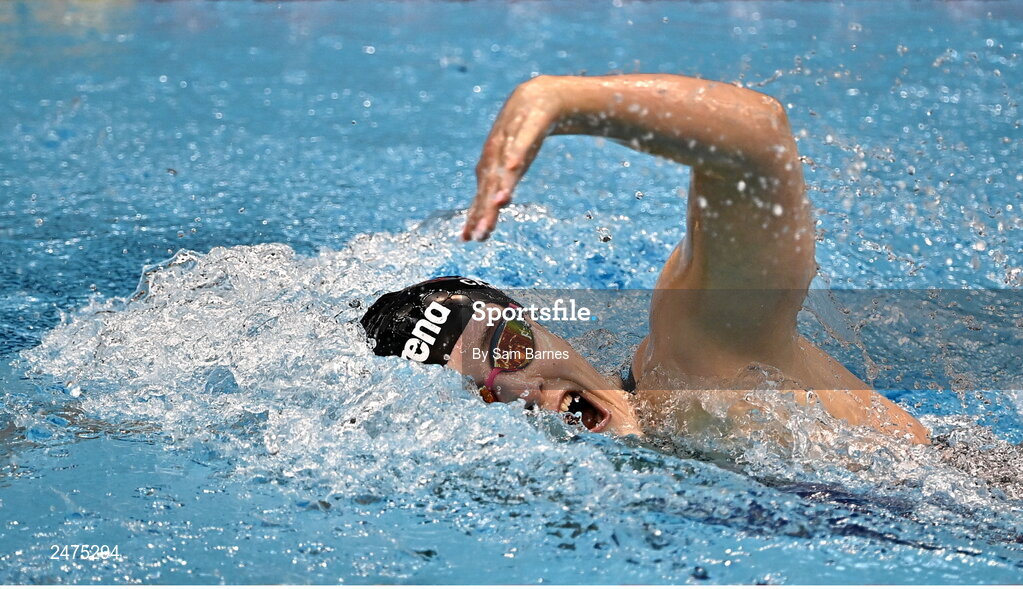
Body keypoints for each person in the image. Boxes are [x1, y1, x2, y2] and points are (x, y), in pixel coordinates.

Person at [362, 74, 930, 445]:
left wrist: (562, 101)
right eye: (485, 395)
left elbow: (759, 139)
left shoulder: (692, 364)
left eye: (508, 347)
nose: (523, 391)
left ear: (536, 320)